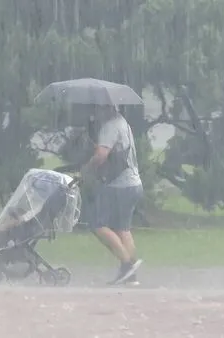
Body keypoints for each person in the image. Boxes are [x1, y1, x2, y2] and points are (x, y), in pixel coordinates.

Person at [81, 104, 144, 286]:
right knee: (122, 228)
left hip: (119, 185)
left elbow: (102, 155)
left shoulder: (110, 126)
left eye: (97, 109)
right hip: (134, 183)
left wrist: (88, 168)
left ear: (105, 108)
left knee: (98, 225)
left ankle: (127, 265)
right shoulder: (123, 123)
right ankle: (131, 277)